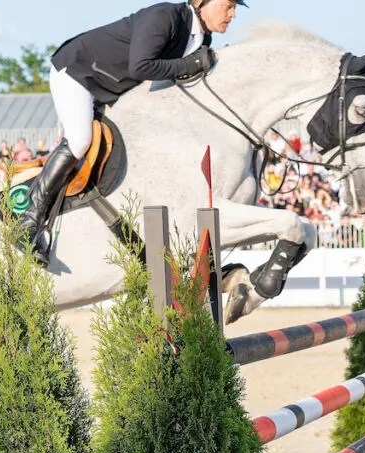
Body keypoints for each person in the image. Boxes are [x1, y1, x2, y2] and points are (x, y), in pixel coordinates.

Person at [20, 0, 246, 263]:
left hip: (113, 89)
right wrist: (190, 64)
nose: (232, 13)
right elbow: (141, 67)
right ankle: (29, 221)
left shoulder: (201, 38)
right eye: (228, 5)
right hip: (79, 73)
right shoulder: (166, 16)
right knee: (80, 140)